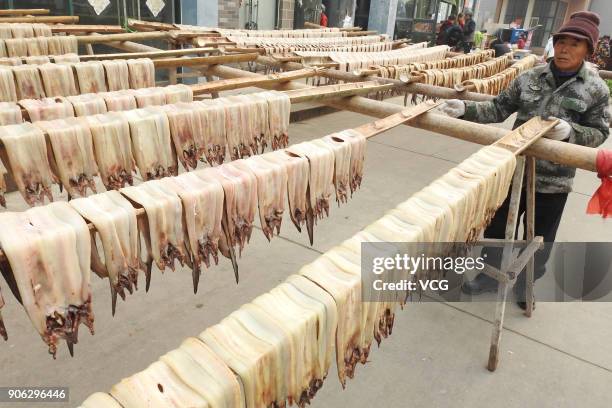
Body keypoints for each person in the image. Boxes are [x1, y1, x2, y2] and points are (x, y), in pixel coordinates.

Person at [438, 11, 610, 310]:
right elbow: (498, 109)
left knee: (539, 239)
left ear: (588, 50)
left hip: (553, 180)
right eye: (562, 42)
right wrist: (463, 108)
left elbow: (600, 133)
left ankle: (524, 285)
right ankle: (490, 276)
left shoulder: (595, 89)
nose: (565, 49)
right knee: (496, 229)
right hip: (514, 171)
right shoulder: (530, 77)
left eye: (575, 44)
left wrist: (572, 132)